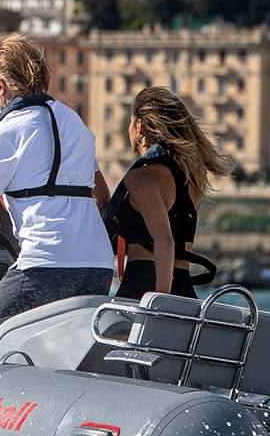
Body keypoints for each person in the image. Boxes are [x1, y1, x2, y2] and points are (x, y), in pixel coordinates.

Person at [0, 35, 115, 357]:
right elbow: (102, 198)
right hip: (98, 264)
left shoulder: (6, 132)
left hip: (44, 263)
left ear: (1, 85)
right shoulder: (75, 122)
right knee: (58, 357)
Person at [101, 85, 235, 300]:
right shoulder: (192, 178)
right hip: (184, 286)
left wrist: (161, 300)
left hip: (146, 284)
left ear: (139, 125)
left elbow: (164, 239)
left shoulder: (140, 178)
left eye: (130, 121)